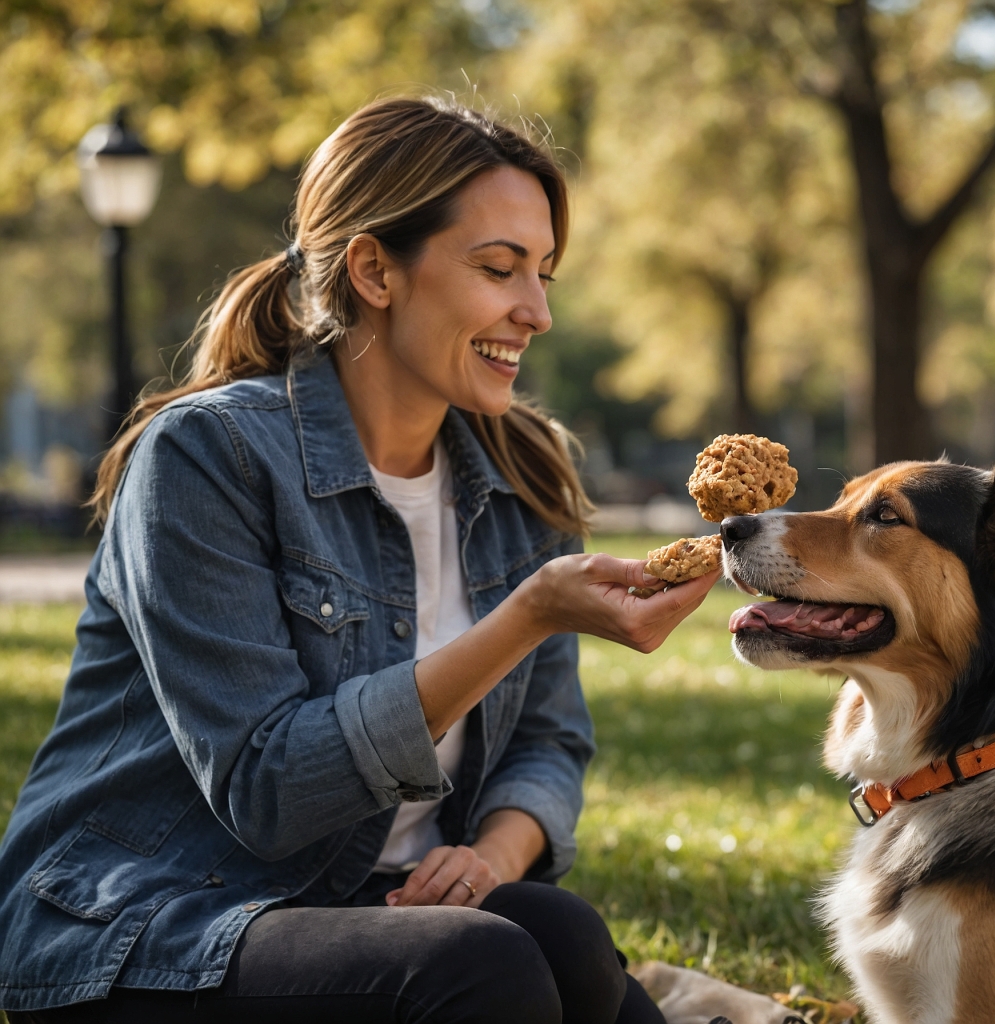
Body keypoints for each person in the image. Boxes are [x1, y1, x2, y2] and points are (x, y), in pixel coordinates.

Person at [0, 96, 720, 1022]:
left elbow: (547, 742)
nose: (536, 311)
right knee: (483, 966)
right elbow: (266, 787)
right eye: (499, 269)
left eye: (544, 273)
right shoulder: (206, 458)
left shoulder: (522, 475)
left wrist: (490, 860)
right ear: (375, 270)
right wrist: (528, 616)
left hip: (360, 905)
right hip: (150, 925)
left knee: (568, 941)